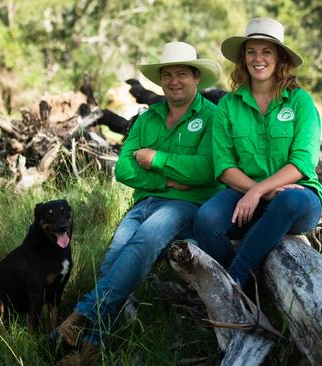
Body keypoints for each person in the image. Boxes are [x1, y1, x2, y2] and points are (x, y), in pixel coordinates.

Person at [54, 41, 221, 365]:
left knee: (144, 242)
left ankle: (80, 316)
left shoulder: (213, 117)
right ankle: (90, 349)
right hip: (145, 202)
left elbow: (207, 169)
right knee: (113, 259)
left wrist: (156, 157)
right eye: (168, 74)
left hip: (185, 205)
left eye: (182, 74)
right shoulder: (148, 118)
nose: (174, 80)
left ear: (196, 77)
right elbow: (125, 168)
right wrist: (166, 179)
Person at [194, 17, 322, 290]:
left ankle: (233, 283)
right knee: (206, 220)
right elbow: (225, 166)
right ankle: (254, 288)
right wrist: (257, 191)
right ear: (243, 58)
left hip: (297, 198)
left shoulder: (300, 101)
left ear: (279, 58)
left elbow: (302, 162)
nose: (258, 58)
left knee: (288, 201)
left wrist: (256, 192)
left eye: (266, 51)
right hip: (244, 193)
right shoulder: (228, 106)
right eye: (251, 51)